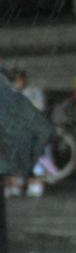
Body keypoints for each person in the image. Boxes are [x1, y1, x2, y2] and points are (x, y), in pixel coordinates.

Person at [5, 69, 47, 198]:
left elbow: (38, 108)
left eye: (20, 79)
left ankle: (35, 181)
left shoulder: (34, 92)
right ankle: (14, 182)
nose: (18, 82)